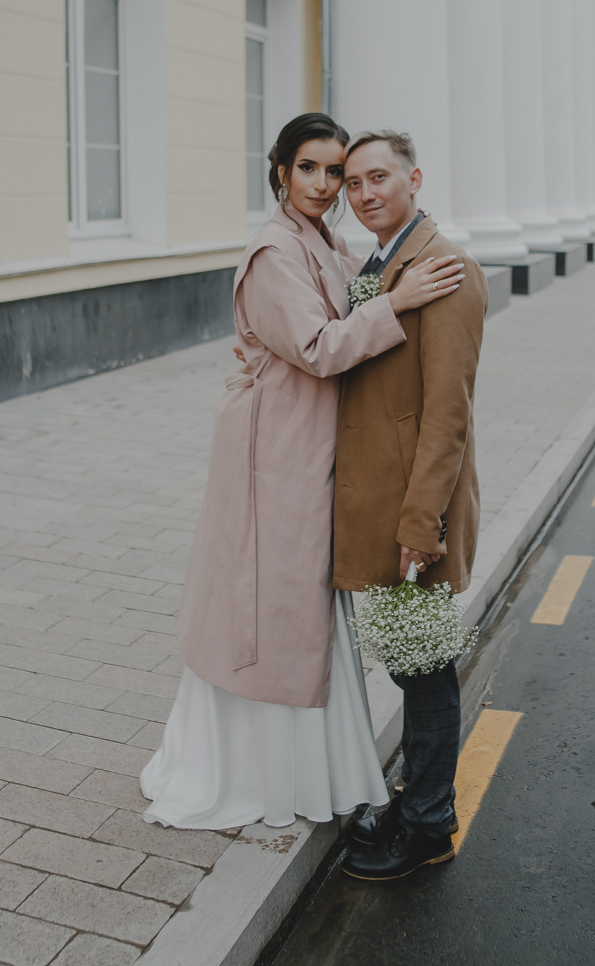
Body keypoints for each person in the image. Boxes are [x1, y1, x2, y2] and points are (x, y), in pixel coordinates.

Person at [140, 114, 464, 830]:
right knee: (269, 607)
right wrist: (397, 301)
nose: (326, 186)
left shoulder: (322, 240)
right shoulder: (271, 251)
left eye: (337, 173)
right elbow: (318, 347)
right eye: (311, 169)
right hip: (274, 454)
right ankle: (256, 774)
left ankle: (312, 766)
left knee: (300, 611)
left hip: (309, 448)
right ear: (280, 171)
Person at [333, 130, 488, 881]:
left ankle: (427, 823)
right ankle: (415, 800)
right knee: (405, 663)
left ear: (414, 178)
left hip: (410, 516)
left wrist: (420, 524)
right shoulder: (387, 259)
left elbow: (446, 413)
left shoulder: (444, 268)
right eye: (353, 182)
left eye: (378, 179)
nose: (364, 194)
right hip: (385, 505)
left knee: (423, 670)